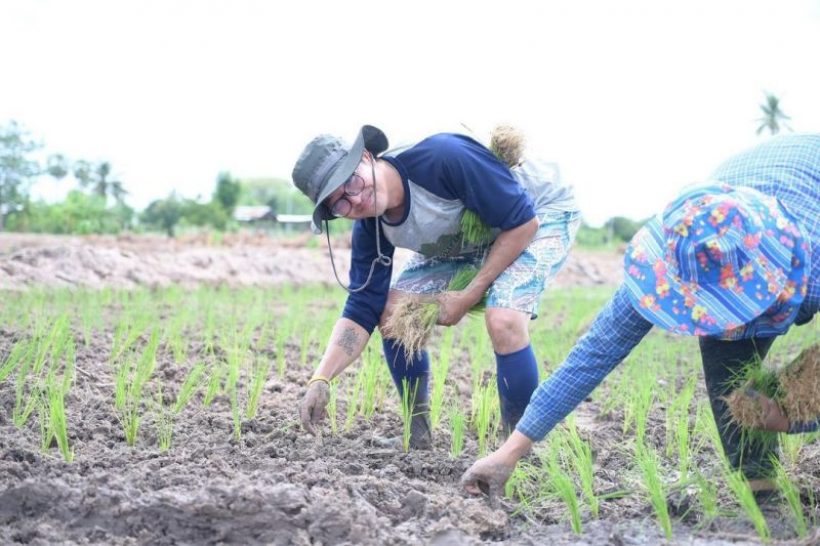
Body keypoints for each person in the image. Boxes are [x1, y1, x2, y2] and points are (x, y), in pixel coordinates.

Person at [461, 133, 819, 501]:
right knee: (731, 370)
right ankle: (761, 490)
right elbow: (592, 357)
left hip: (806, 195)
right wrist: (509, 453)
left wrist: (793, 413)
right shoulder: (687, 253)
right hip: (742, 196)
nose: (719, 320)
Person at [291, 125, 580, 448]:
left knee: (504, 318)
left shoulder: (442, 159)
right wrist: (321, 378)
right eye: (340, 203)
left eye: (352, 181)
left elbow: (522, 223)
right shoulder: (370, 226)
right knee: (391, 312)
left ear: (367, 157)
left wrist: (468, 295)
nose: (355, 199)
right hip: (473, 236)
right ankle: (418, 435)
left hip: (537, 212)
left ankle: (520, 449)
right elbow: (362, 309)